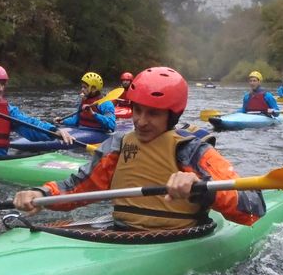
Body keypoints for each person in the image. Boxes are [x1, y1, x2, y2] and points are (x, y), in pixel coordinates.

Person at [14, 66, 266, 230]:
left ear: (172, 115)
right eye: (137, 110)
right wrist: (42, 193)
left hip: (177, 237)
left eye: (153, 113)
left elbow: (253, 206)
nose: (141, 121)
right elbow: (77, 187)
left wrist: (203, 190)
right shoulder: (118, 145)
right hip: (122, 231)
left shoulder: (191, 150)